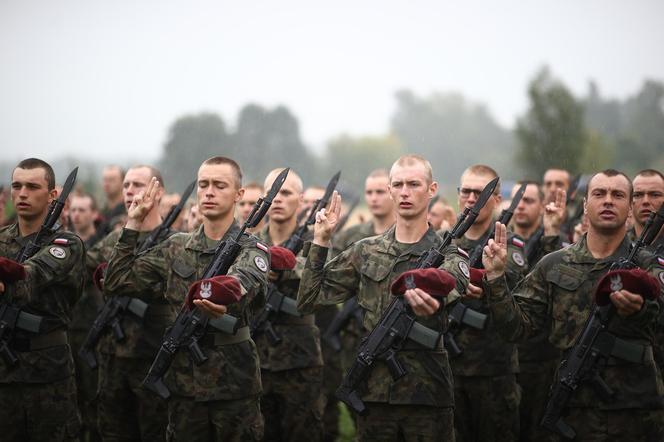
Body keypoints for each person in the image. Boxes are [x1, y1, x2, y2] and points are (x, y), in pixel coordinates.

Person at [297, 154, 469, 442]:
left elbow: (452, 282)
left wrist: (433, 298)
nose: (404, 192)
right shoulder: (366, 251)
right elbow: (308, 299)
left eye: (414, 184)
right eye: (398, 184)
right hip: (374, 393)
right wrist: (321, 241)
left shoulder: (448, 252)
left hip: (427, 395)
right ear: (390, 190)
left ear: (432, 189)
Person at [483, 169, 664, 441]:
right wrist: (495, 277)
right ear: (584, 205)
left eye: (617, 195)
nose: (607, 201)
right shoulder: (554, 265)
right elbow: (516, 328)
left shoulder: (649, 266)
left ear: (630, 209)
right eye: (599, 193)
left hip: (637, 411)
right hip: (572, 407)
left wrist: (639, 311)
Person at [104, 156, 268, 441]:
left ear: (239, 195)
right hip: (183, 385)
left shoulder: (252, 249)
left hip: (234, 386)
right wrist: (132, 224)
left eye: (219, 185)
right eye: (203, 185)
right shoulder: (175, 247)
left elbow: (242, 282)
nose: (209, 192)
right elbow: (116, 281)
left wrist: (221, 295)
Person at [87, 164, 174, 442]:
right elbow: (84, 267)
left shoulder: (175, 243)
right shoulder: (116, 239)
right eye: (125, 185)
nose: (129, 191)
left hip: (152, 355)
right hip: (113, 355)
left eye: (137, 185)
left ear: (157, 192)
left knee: (155, 431)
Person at [0, 158, 85, 440]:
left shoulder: (66, 244)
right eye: (17, 186)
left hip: (47, 376)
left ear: (52, 196)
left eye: (32, 186)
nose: (22, 193)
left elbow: (30, 277)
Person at [450, 165, 527, 442]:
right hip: (448, 370)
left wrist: (490, 279)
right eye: (466, 191)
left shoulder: (509, 245)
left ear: (496, 199)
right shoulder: (444, 243)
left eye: (480, 193)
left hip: (494, 371)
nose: (472, 198)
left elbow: (517, 289)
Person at [253, 168, 325, 441]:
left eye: (286, 193)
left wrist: (289, 264)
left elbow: (322, 275)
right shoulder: (249, 245)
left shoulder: (315, 243)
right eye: (272, 194)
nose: (278, 199)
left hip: (300, 360)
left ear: (301, 199)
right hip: (255, 360)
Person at [69, 192, 104, 441]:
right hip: (67, 327)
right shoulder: (65, 244)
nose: (77, 215)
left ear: (94, 214)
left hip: (91, 329)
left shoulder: (100, 244)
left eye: (82, 210)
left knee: (92, 392)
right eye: (74, 210)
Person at [630, 169, 664, 251]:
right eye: (637, 195)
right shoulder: (618, 244)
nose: (646, 201)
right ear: (630, 201)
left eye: (655, 195)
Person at [99, 165, 126, 235]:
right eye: (105, 180)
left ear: (123, 182)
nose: (106, 184)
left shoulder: (128, 210)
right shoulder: (99, 210)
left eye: (111, 180)